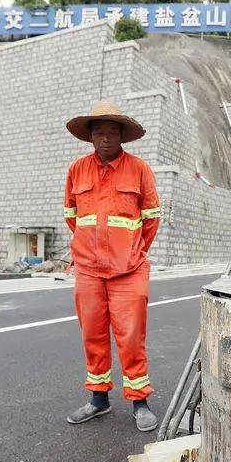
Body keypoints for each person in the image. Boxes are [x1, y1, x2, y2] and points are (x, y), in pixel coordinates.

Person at [62, 101, 161, 431]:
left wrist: (131, 251)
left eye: (112, 132)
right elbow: (72, 216)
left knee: (131, 336)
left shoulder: (139, 169)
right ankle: (98, 399)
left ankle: (139, 400)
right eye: (99, 132)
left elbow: (151, 217)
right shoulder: (77, 170)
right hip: (88, 269)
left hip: (129, 269)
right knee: (92, 334)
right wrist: (90, 249)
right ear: (90, 136)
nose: (106, 138)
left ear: (122, 136)